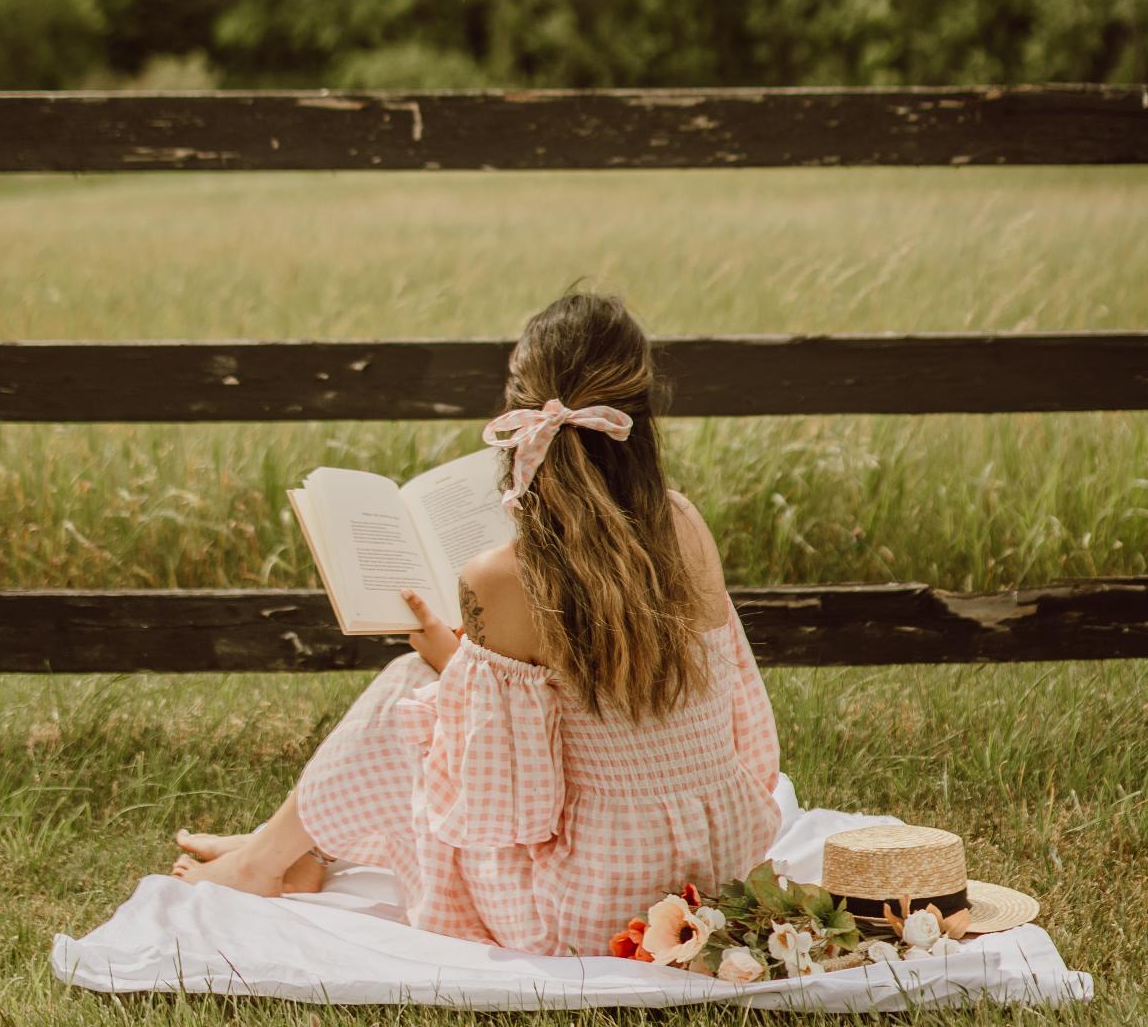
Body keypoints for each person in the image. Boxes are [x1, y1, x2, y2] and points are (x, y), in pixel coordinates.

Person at [168, 289, 783, 957]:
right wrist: (467, 667)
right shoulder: (683, 521)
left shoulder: (504, 576)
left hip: (591, 910)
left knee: (407, 688)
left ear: (515, 415)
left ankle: (267, 860)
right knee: (427, 684)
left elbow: (509, 805)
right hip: (718, 868)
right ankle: (283, 848)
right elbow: (736, 714)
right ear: (641, 410)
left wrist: (454, 667)